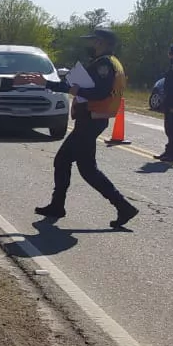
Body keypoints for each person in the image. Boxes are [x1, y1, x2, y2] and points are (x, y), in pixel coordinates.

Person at [36, 26, 138, 228]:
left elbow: (98, 92)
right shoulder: (110, 62)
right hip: (91, 118)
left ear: (101, 43)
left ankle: (61, 206)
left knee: (65, 161)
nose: (90, 45)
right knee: (86, 168)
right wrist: (54, 84)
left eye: (93, 41)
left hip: (92, 119)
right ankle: (122, 207)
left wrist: (67, 87)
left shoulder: (104, 64)